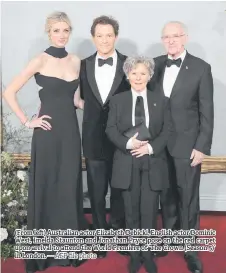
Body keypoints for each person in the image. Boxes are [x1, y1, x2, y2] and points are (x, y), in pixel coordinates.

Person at [3, 11, 87, 273]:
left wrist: (107, 110)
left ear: (70, 32)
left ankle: (68, 248)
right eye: (56, 30)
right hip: (47, 133)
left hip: (70, 132)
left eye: (66, 30)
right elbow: (9, 91)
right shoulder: (40, 59)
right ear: (48, 33)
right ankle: (44, 252)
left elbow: (76, 101)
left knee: (67, 184)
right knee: (48, 185)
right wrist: (28, 121)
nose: (62, 35)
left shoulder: (77, 61)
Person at [149, 21, 214, 273]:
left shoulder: (200, 68)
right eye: (166, 37)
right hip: (159, 144)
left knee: (187, 196)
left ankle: (190, 248)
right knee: (164, 194)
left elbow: (206, 112)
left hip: (188, 145)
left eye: (176, 36)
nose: (171, 41)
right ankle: (168, 238)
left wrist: (202, 146)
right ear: (162, 40)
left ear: (185, 37)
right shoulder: (153, 65)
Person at [106, 56, 170, 273]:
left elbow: (167, 131)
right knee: (131, 213)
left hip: (152, 163)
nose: (138, 77)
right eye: (134, 73)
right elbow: (110, 130)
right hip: (127, 162)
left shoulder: (161, 100)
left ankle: (148, 255)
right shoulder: (118, 100)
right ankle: (135, 256)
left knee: (149, 213)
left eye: (143, 73)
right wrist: (128, 143)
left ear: (150, 76)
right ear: (127, 75)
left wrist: (150, 148)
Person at [76, 15, 130, 258]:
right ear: (93, 37)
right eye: (100, 35)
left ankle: (118, 231)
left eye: (109, 35)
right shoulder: (83, 64)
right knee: (97, 191)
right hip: (93, 138)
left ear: (116, 36)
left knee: (119, 189)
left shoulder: (129, 64)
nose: (105, 40)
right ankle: (99, 235)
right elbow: (73, 96)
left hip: (122, 140)